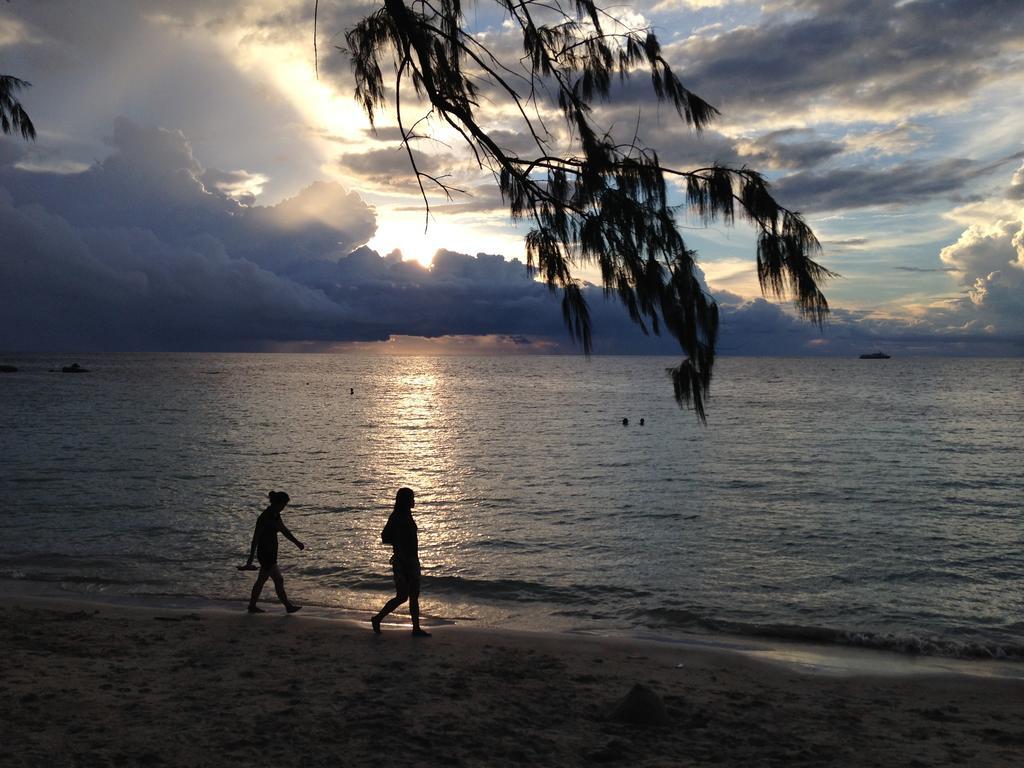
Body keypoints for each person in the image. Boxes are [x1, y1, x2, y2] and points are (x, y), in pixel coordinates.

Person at [371, 487, 430, 637]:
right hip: (403, 561)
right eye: (411, 498)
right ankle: (377, 618)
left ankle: (415, 628)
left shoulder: (406, 515)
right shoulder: (397, 516)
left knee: (413, 595)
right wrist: (399, 547)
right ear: (405, 501)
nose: (414, 500)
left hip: (411, 560)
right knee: (403, 596)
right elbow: (385, 537)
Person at [239, 491, 305, 613]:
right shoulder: (265, 517)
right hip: (265, 553)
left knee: (266, 580)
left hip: (271, 552)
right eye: (284, 504)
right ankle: (287, 606)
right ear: (278, 503)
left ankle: (253, 606)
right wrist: (250, 557)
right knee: (275, 580)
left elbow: (284, 530)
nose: (284, 507)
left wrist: (296, 543)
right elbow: (256, 538)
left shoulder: (275, 515)